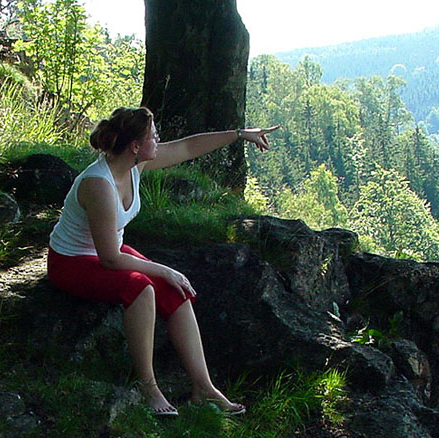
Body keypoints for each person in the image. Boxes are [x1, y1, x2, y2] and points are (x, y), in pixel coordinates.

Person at [47, 107, 279, 417]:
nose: (159, 141)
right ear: (134, 146)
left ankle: (203, 388)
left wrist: (240, 134)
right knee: (143, 288)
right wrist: (163, 268)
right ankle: (149, 386)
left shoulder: (133, 166)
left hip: (107, 254)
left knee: (175, 290)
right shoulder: (98, 184)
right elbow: (111, 259)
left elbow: (187, 147)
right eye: (153, 137)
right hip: (71, 262)